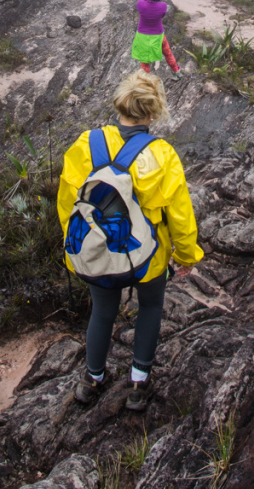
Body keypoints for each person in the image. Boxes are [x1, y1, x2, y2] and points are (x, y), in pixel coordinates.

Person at [58, 70, 203, 410]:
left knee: (102, 311)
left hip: (99, 250)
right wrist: (186, 255)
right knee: (150, 307)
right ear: (152, 113)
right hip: (147, 256)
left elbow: (68, 203)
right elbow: (180, 215)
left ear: (120, 103)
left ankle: (92, 379)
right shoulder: (163, 154)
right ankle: (138, 385)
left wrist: (75, 245)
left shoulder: (85, 144)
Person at [131, 0, 182, 78]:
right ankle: (176, 71)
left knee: (145, 62)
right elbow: (162, 15)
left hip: (143, 36)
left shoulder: (140, 4)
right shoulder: (163, 6)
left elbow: (144, 1)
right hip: (158, 35)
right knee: (168, 53)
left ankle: (146, 81)